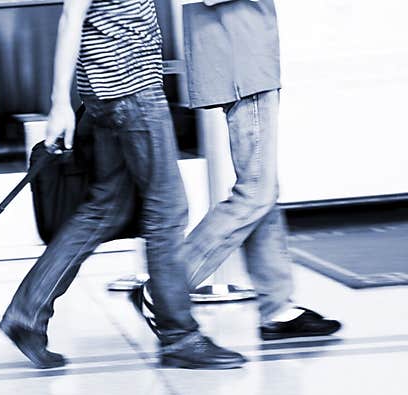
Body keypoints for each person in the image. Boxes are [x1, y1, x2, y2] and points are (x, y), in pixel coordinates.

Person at [0, 0, 245, 370]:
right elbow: (72, 17)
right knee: (167, 208)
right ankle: (180, 335)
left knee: (105, 208)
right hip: (130, 91)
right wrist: (58, 106)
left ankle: (27, 313)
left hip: (112, 90)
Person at [133, 0, 341, 341]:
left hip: (243, 55)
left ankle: (277, 307)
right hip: (241, 59)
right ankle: (165, 289)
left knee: (262, 189)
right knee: (256, 190)